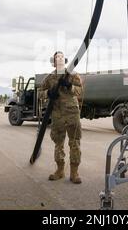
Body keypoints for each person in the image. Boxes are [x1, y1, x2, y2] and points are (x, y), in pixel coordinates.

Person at [39, 51, 83, 184]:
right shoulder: (49, 78)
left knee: (74, 142)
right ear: (53, 61)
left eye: (62, 56)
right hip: (57, 114)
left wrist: (70, 86)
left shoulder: (73, 75)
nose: (59, 58)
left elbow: (80, 91)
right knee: (58, 143)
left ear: (65, 60)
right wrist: (48, 93)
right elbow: (39, 93)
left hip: (72, 113)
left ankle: (74, 172)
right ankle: (60, 170)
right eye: (57, 57)